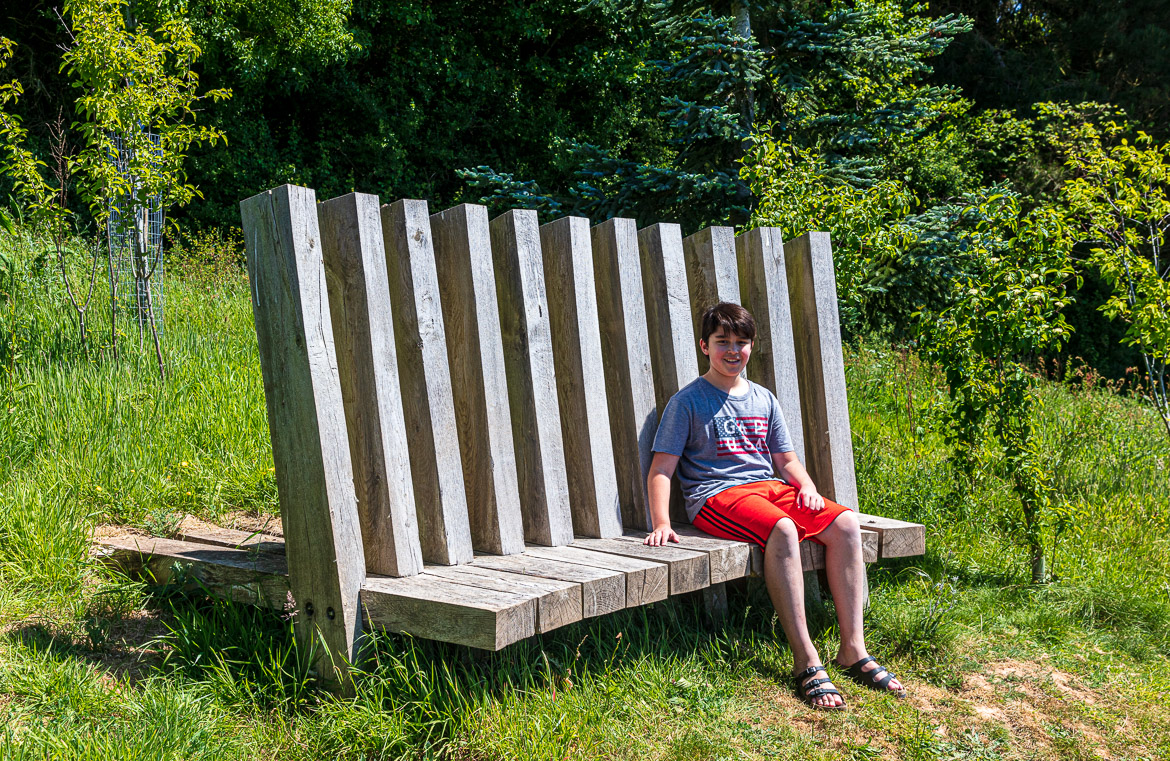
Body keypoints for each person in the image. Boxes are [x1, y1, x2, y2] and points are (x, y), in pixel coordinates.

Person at [642, 302, 905, 710]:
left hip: (768, 488)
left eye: (741, 343)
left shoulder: (763, 398)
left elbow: (786, 461)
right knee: (781, 528)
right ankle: (806, 659)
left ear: (751, 347)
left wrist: (808, 487)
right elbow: (662, 468)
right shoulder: (687, 402)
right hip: (716, 495)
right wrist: (661, 521)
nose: (733, 351)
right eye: (722, 342)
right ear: (704, 346)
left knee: (847, 523)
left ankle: (853, 649)